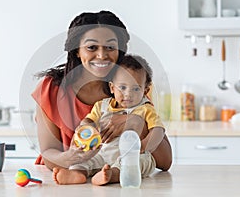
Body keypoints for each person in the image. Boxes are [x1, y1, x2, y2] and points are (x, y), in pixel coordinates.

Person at [32, 10, 172, 173]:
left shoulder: (129, 86)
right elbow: (49, 154)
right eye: (91, 47)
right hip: (65, 179)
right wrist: (70, 157)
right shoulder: (51, 88)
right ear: (77, 50)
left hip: (114, 180)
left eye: (110, 47)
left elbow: (165, 161)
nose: (101, 55)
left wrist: (135, 123)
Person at [52, 54, 163, 185]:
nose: (128, 94)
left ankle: (111, 175)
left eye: (136, 89)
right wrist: (86, 128)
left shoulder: (145, 109)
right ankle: (77, 173)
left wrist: (143, 147)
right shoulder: (101, 106)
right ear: (112, 87)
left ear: (145, 91)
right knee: (83, 160)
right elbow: (87, 121)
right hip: (102, 153)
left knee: (140, 161)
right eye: (122, 88)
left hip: (129, 155)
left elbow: (158, 130)